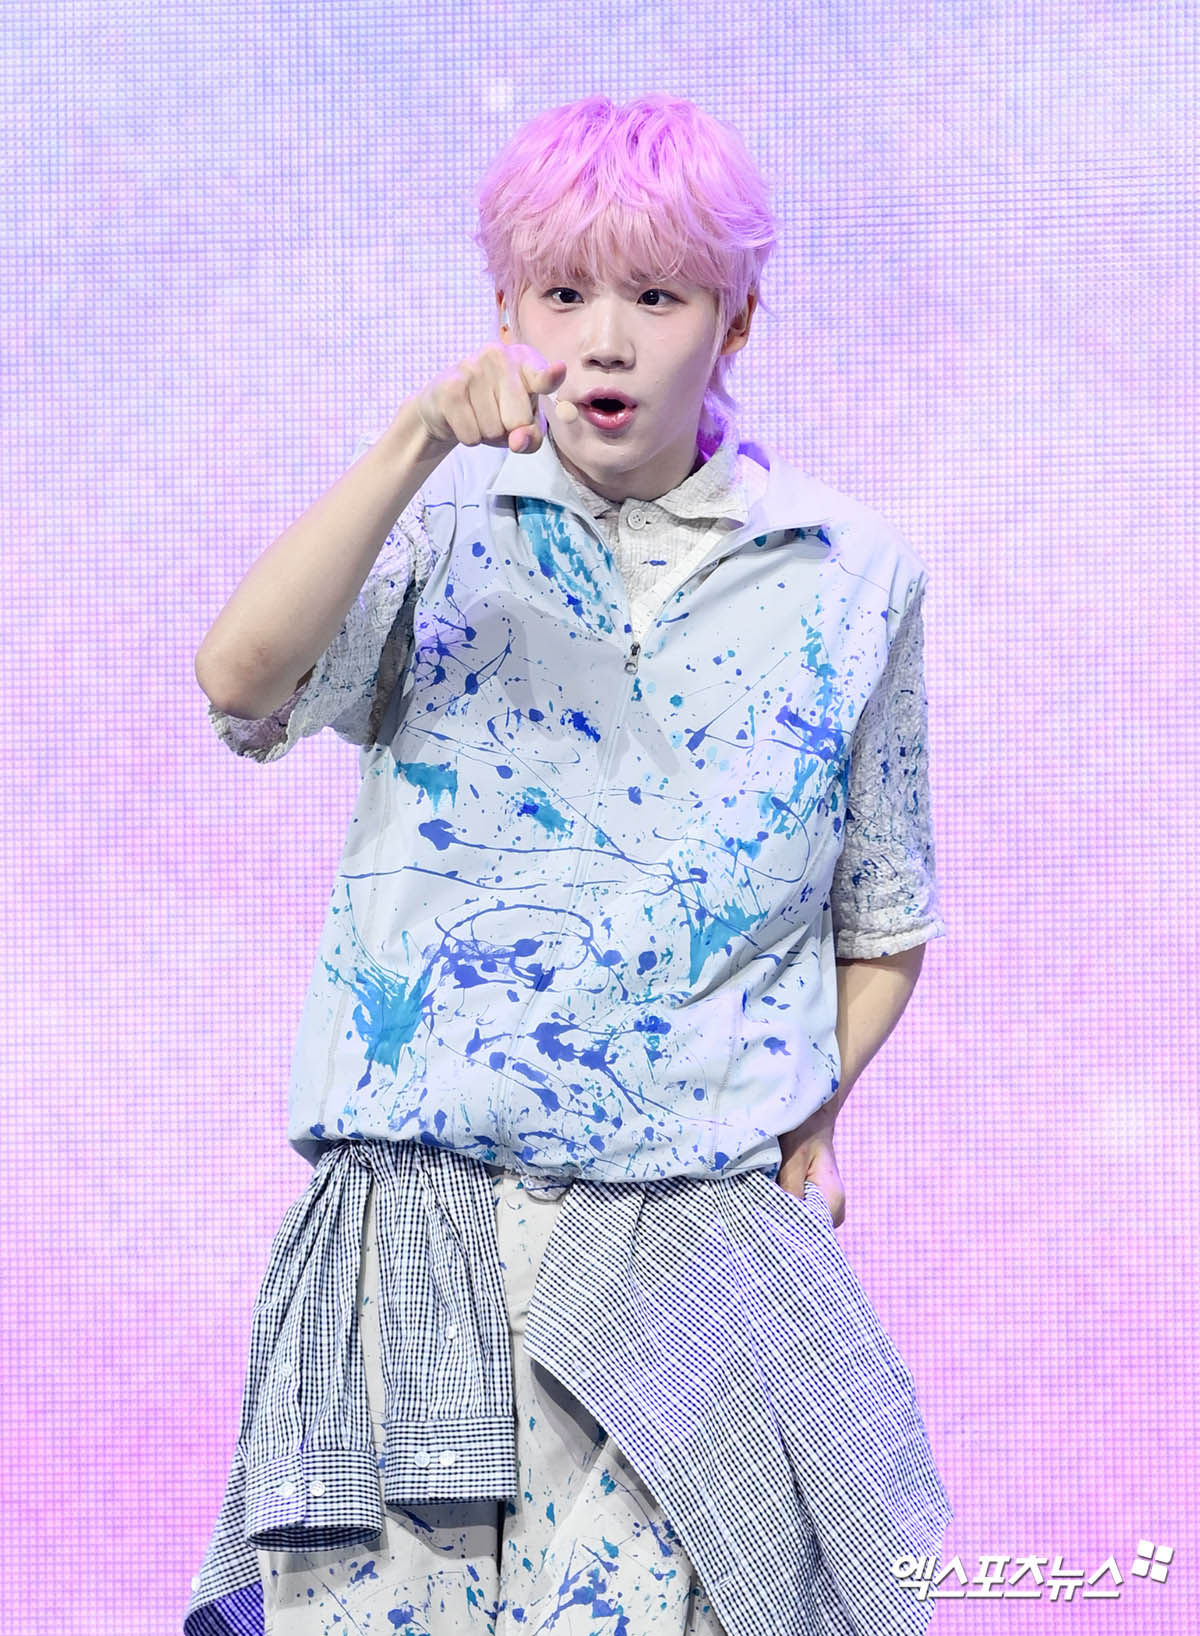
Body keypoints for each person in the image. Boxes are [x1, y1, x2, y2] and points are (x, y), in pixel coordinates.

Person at [185, 93, 952, 1636]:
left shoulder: (846, 574)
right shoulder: (440, 529)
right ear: (507, 311)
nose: (605, 341)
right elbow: (239, 681)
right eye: (562, 294)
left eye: (656, 296)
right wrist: (413, 440)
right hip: (418, 1230)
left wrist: (807, 1105)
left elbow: (885, 916)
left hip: (684, 1244)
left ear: (736, 318)